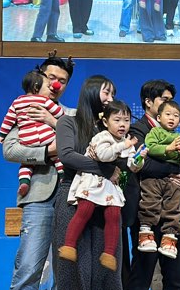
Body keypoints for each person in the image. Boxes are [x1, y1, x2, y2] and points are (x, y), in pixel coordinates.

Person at [0, 53, 74, 290]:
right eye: (51, 77)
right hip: (38, 196)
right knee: (28, 266)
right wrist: (45, 152)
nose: (56, 84)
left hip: (70, 195)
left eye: (62, 81)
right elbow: (9, 148)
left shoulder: (68, 114)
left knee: (65, 268)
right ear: (40, 76)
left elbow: (84, 143)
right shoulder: (26, 106)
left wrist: (55, 124)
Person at [53, 75, 130, 290]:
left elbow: (124, 161)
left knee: (108, 270)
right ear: (91, 92)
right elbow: (67, 156)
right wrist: (104, 168)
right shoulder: (69, 122)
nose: (110, 99)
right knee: (74, 272)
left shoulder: (112, 127)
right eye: (106, 93)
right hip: (74, 195)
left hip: (107, 198)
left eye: (113, 93)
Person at [123, 80, 180, 290]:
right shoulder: (137, 130)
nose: (169, 108)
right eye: (164, 100)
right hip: (147, 211)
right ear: (148, 102)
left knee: (176, 273)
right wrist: (174, 166)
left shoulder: (175, 132)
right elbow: (145, 165)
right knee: (142, 273)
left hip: (172, 212)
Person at [59, 100, 145, 272]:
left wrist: (139, 158)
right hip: (93, 180)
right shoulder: (102, 136)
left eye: (126, 120)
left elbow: (131, 166)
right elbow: (103, 155)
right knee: (85, 210)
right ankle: (69, 246)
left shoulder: (126, 141)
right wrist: (123, 145)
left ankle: (109, 254)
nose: (122, 125)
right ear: (105, 122)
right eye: (117, 120)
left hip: (110, 184)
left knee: (114, 215)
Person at [136, 100, 180, 259]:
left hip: (172, 182)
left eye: (176, 116)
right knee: (149, 202)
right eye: (168, 114)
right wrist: (168, 148)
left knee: (173, 207)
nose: (172, 118)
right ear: (159, 117)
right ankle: (145, 233)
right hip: (153, 179)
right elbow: (150, 147)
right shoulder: (154, 132)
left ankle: (169, 238)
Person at [0, 69, 65, 197]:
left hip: (27, 139)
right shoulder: (44, 100)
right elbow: (60, 113)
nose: (53, 87)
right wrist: (47, 151)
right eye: (48, 84)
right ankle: (63, 175)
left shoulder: (17, 102)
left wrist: (2, 134)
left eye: (62, 81)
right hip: (46, 136)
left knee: (26, 165)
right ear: (36, 87)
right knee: (57, 157)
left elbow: (8, 120)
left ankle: (24, 181)